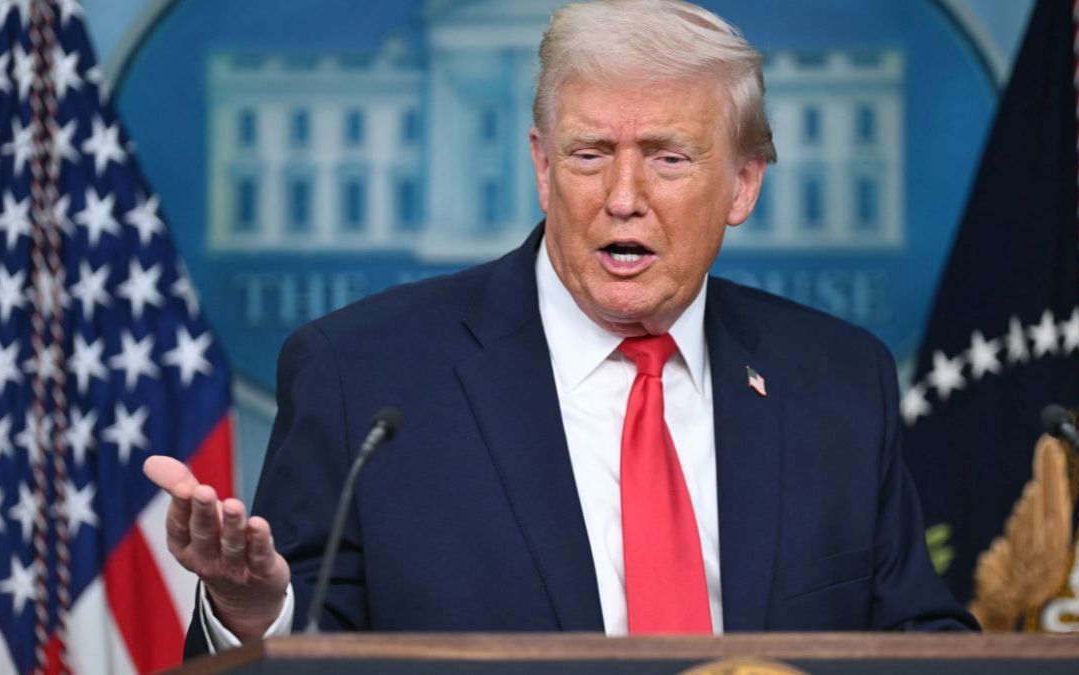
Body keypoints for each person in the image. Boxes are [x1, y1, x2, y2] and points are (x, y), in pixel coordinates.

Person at [144, 0, 977, 655]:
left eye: (668, 157)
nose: (623, 196)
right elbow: (315, 646)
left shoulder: (837, 379)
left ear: (743, 183)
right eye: (589, 154)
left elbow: (918, 640)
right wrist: (253, 615)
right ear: (544, 168)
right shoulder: (361, 376)